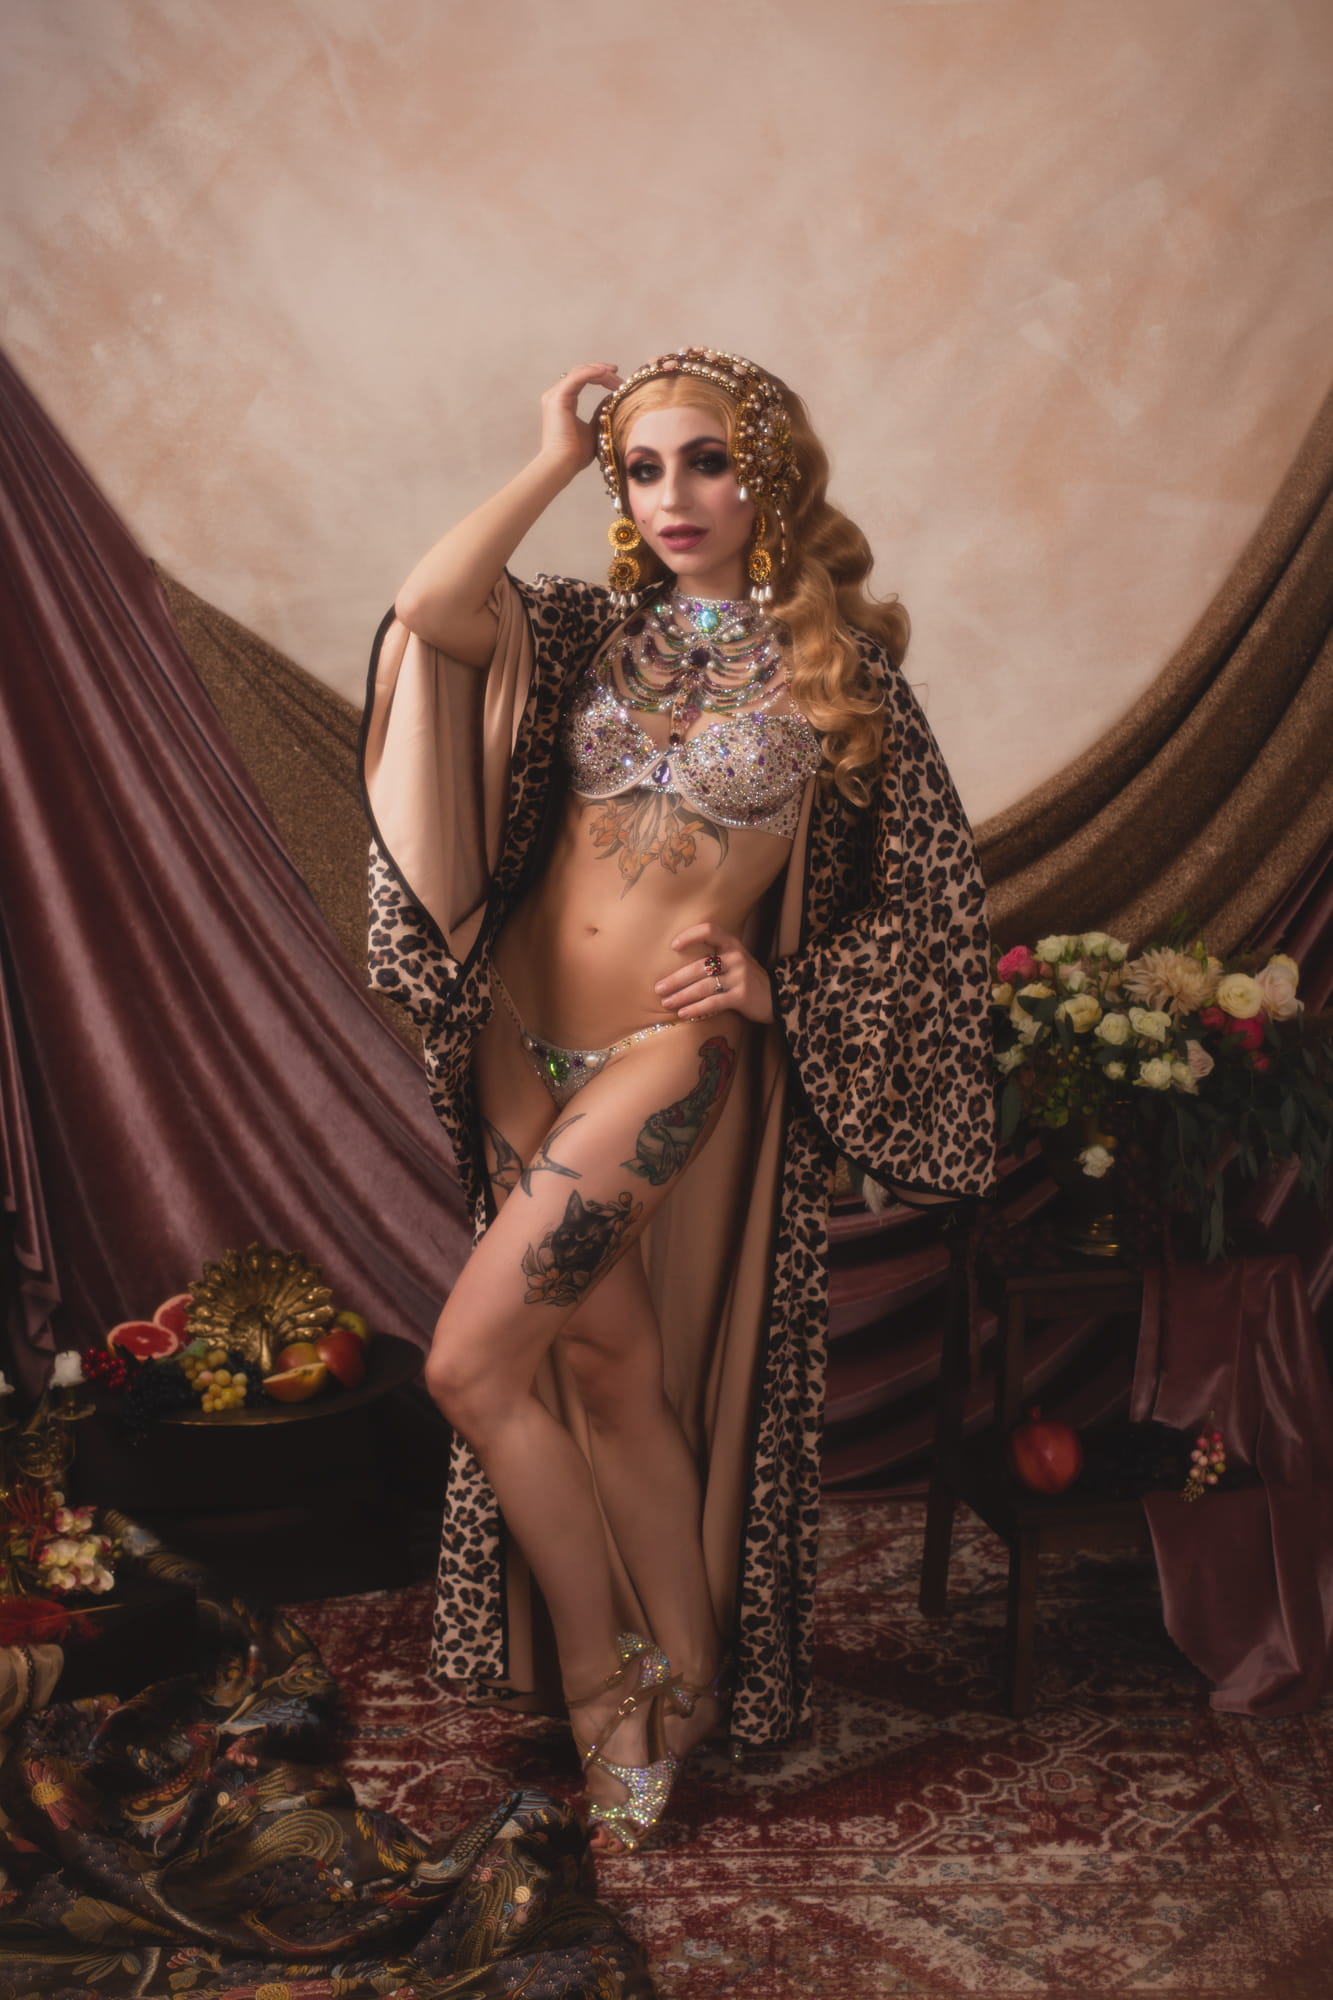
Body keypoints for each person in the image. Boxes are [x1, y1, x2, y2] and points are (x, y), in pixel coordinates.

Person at [360, 348, 994, 1855]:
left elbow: (936, 919)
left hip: (660, 1054)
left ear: (767, 474)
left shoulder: (843, 683)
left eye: (705, 460)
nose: (673, 496)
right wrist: (549, 456)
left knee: (470, 1369)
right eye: (642, 469)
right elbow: (432, 607)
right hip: (519, 1041)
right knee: (608, 1374)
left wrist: (782, 991)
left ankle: (609, 1689)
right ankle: (692, 1678)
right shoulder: (590, 631)